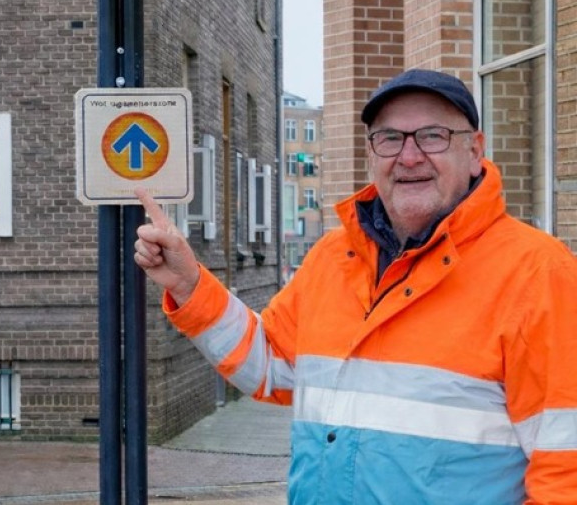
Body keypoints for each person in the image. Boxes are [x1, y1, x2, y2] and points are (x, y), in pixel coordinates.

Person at [133, 69, 577, 504]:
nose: (409, 156)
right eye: (389, 138)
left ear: (475, 150)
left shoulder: (538, 273)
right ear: (371, 155)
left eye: (433, 136)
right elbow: (270, 365)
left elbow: (567, 470)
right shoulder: (333, 257)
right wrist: (190, 285)